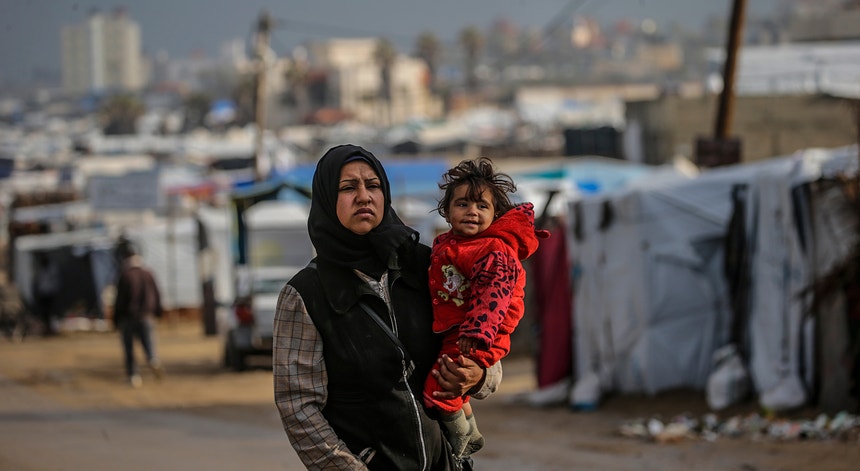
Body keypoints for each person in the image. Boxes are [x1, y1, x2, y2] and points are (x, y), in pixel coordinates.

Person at [273, 144, 501, 470]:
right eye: (348, 188)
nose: (364, 197)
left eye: (373, 185)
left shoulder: (428, 265)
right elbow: (298, 406)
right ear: (326, 199)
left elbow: (484, 346)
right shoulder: (305, 294)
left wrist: (478, 375)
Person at [424, 158, 549, 458]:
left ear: (495, 215)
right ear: (447, 212)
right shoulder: (454, 244)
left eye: (482, 206)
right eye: (463, 204)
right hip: (461, 333)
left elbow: (493, 294)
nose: (472, 211)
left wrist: (477, 332)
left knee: (437, 390)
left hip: (477, 336)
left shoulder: (491, 250)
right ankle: (471, 431)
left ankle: (460, 442)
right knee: (452, 386)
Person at [112, 239, 164, 388]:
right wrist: (158, 312)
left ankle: (133, 376)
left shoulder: (125, 275)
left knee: (129, 348)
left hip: (129, 317)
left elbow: (120, 300)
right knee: (149, 343)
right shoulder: (148, 273)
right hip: (147, 316)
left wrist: (116, 319)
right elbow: (157, 294)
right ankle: (153, 360)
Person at [32, 252, 61, 336]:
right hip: (42, 293)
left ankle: (50, 328)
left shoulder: (53, 267)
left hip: (51, 292)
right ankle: (45, 328)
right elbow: (37, 280)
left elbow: (56, 280)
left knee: (51, 311)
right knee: (44, 312)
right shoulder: (39, 267)